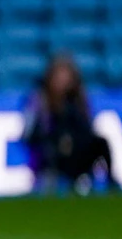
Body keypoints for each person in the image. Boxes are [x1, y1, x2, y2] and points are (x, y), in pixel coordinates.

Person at [24, 54, 113, 194]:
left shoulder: (78, 100)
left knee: (101, 143)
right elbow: (30, 134)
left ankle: (111, 184)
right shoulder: (40, 100)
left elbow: (87, 127)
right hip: (52, 152)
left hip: (76, 151)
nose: (63, 81)